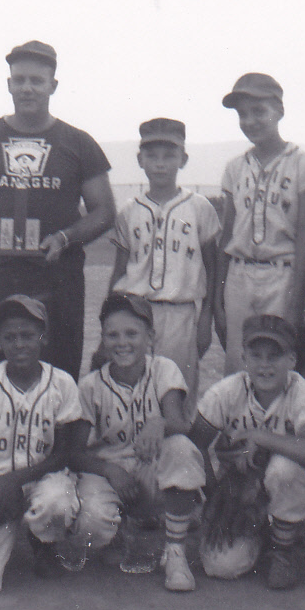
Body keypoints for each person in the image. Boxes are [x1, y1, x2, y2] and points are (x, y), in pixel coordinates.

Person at [0, 40, 116, 379]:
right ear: (9, 84)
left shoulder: (78, 141)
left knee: (55, 376)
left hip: (54, 278)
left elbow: (104, 210)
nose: (27, 88)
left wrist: (65, 238)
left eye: (37, 81)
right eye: (19, 80)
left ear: (53, 85)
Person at [0, 295, 89, 595]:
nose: (19, 344)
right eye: (10, 337)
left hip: (43, 480)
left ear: (43, 337)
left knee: (57, 501)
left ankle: (45, 543)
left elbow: (63, 453)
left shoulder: (62, 383)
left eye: (27, 335)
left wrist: (15, 480)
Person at [71, 293, 207, 591]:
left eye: (132, 334)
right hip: (111, 470)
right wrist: (110, 471)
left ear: (150, 337)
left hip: (150, 465)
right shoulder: (91, 385)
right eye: (113, 335)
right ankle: (118, 532)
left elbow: (180, 424)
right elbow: (75, 453)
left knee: (181, 449)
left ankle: (175, 551)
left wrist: (159, 423)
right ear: (103, 339)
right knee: (91, 523)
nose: (122, 343)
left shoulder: (163, 369)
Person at [189, 314, 305, 589]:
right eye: (256, 355)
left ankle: (284, 548)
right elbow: (195, 445)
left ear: (292, 360)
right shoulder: (227, 391)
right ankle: (262, 533)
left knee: (283, 468)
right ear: (243, 358)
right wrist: (214, 493)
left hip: (287, 487)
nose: (265, 365)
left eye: (274, 356)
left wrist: (261, 437)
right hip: (240, 490)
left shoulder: (300, 392)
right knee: (222, 566)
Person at [101, 118, 220, 408]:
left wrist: (206, 318)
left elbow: (213, 268)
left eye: (169, 156)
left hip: (180, 313)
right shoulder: (129, 210)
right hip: (135, 310)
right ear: (140, 160)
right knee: (133, 388)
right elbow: (119, 269)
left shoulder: (199, 207)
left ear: (183, 159)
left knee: (178, 391)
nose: (160, 164)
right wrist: (109, 315)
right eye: (152, 156)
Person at [216, 73, 305, 376]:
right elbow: (227, 234)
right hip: (239, 275)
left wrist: (296, 300)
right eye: (242, 114)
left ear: (279, 111)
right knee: (239, 368)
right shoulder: (235, 168)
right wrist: (218, 300)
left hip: (284, 275)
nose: (250, 121)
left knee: (282, 367)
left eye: (258, 111)